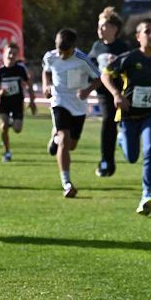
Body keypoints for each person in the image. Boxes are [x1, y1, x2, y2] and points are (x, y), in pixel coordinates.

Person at [102, 18, 151, 215]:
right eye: (148, 32)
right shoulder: (128, 58)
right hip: (129, 114)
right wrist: (116, 94)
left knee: (150, 150)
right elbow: (105, 75)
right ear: (138, 37)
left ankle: (147, 193)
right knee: (131, 157)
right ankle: (121, 139)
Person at [42, 29, 101, 198]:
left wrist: (87, 91)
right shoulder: (50, 56)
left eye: (65, 52)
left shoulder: (83, 59)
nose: (61, 55)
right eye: (59, 51)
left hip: (78, 106)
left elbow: (99, 77)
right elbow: (46, 71)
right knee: (65, 141)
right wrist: (46, 86)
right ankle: (67, 183)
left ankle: (55, 138)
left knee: (71, 145)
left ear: (74, 47)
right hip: (59, 101)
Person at [89, 7, 130, 177]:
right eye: (99, 26)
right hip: (104, 92)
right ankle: (106, 161)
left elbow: (131, 68)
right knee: (108, 122)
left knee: (125, 124)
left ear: (114, 28)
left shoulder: (122, 47)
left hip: (122, 91)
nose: (100, 29)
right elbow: (89, 66)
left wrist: (118, 64)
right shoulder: (97, 47)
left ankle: (123, 141)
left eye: (104, 26)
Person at [0, 42, 36, 162]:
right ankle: (7, 152)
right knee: (3, 126)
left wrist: (32, 102)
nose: (11, 56)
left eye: (14, 54)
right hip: (4, 102)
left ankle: (12, 121)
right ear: (4, 54)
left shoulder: (20, 69)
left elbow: (28, 85)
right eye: (9, 53)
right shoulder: (0, 71)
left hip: (17, 102)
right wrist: (1, 92)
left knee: (17, 129)